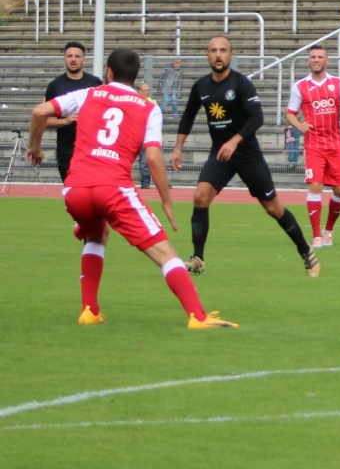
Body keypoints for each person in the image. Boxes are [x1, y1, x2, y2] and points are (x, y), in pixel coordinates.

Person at [27, 48, 235, 328]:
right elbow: (153, 157)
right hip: (113, 189)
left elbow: (39, 112)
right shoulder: (148, 107)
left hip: (76, 189)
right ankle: (198, 317)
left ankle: (90, 310)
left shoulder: (89, 93)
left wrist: (35, 148)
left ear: (109, 71)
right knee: (165, 252)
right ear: (136, 76)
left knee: (97, 235)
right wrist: (166, 200)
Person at [170, 34, 318, 278]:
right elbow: (187, 117)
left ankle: (305, 249)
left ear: (231, 55)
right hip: (221, 155)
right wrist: (178, 148)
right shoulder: (201, 87)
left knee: (273, 208)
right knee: (200, 196)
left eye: (223, 50)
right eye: (213, 50)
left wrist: (235, 140)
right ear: (207, 55)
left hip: (248, 155)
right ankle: (198, 257)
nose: (218, 55)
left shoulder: (241, 84)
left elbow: (257, 118)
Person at [285, 46, 340, 248]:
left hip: (335, 144)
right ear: (309, 60)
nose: (316, 60)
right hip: (314, 144)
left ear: (327, 61)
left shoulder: (337, 83)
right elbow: (290, 113)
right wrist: (299, 125)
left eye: (320, 57)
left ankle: (328, 231)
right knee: (315, 186)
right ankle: (316, 236)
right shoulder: (300, 86)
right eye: (313, 57)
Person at [42, 40, 101, 182]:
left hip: (92, 150)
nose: (73, 59)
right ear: (64, 59)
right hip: (67, 151)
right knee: (72, 192)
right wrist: (66, 121)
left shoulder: (95, 83)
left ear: (84, 60)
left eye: (77, 56)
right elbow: (45, 120)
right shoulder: (55, 85)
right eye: (69, 56)